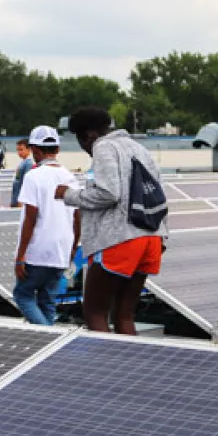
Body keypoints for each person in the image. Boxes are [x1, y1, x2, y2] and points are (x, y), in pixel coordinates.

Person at [55, 106, 168, 335]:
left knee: (94, 313)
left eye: (81, 140)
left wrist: (69, 195)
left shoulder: (103, 146)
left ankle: (106, 369)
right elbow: (158, 192)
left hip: (119, 240)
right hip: (151, 237)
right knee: (124, 315)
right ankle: (129, 368)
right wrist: (163, 234)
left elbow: (109, 193)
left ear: (88, 135)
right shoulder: (138, 147)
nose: (85, 148)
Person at [14, 126, 80, 326]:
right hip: (62, 248)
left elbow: (31, 218)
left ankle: (48, 334)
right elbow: (78, 216)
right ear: (57, 149)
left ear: (35, 150)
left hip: (39, 249)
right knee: (47, 300)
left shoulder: (34, 176)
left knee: (23, 295)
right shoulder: (70, 177)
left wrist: (20, 256)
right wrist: (73, 247)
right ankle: (50, 343)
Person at [10, 139, 33, 208]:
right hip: (16, 197)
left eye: (21, 149)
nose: (19, 152)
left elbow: (26, 183)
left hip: (21, 199)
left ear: (29, 149)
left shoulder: (28, 163)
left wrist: (22, 200)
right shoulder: (23, 162)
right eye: (18, 150)